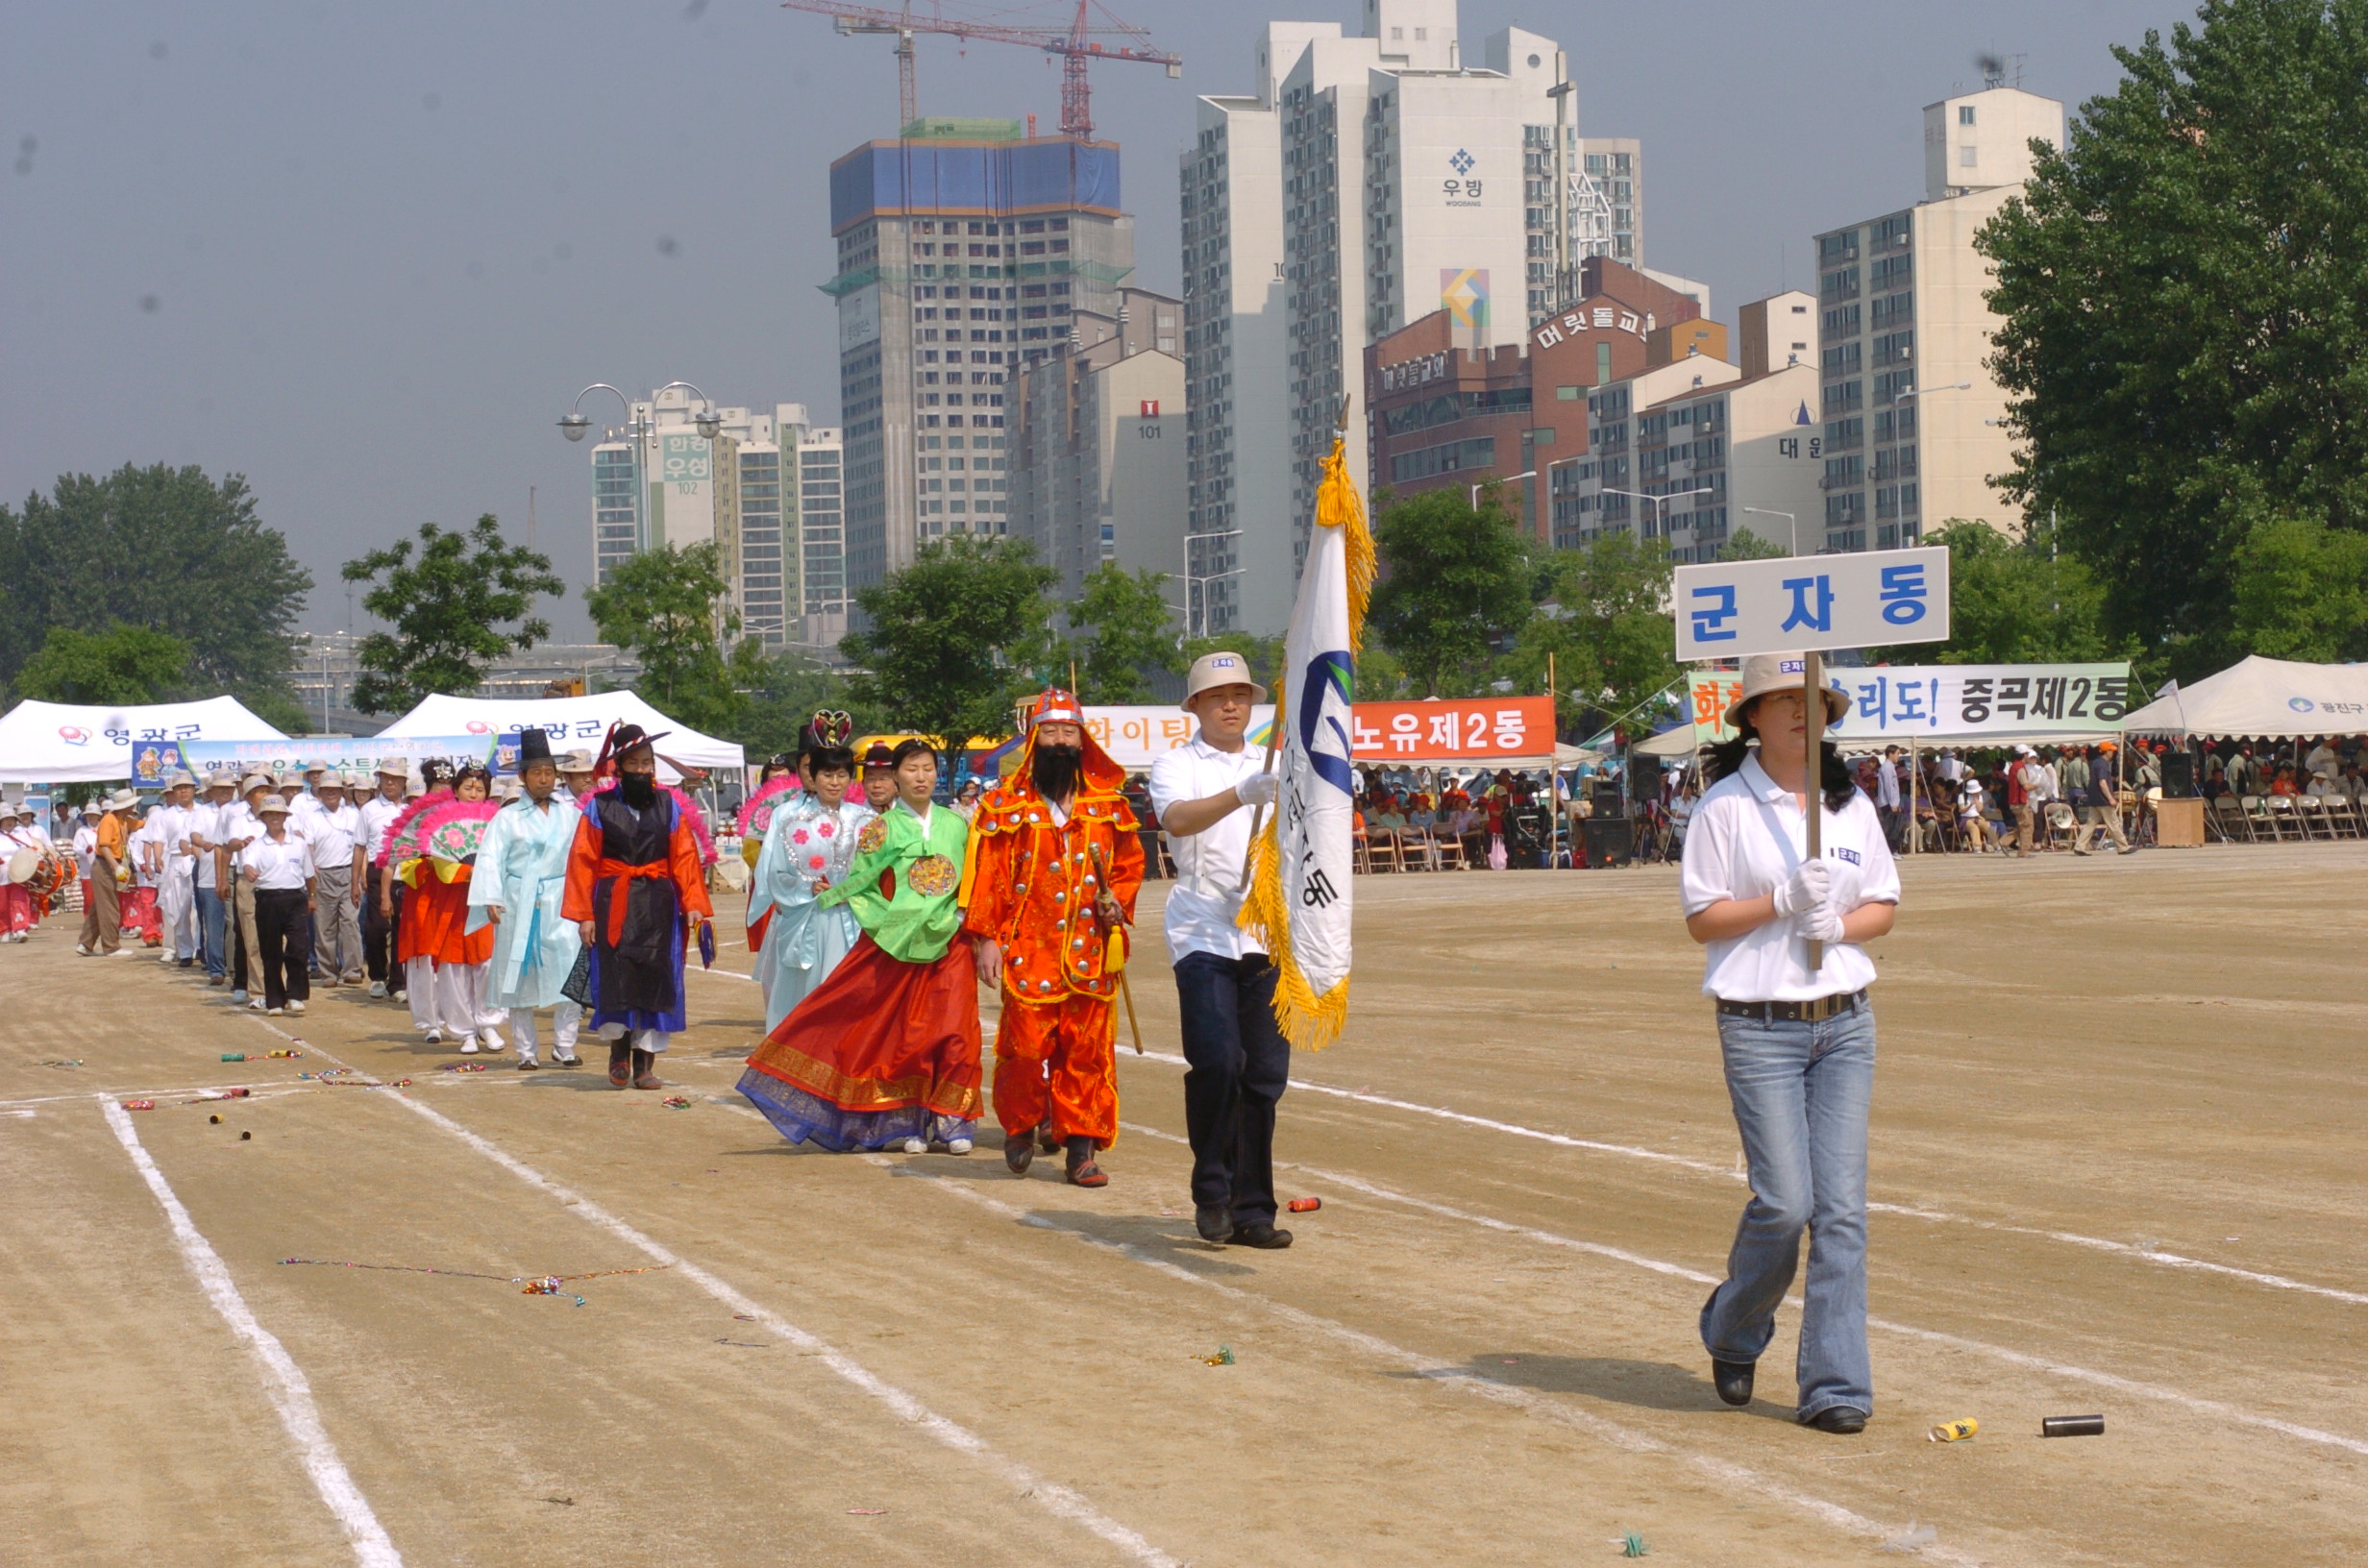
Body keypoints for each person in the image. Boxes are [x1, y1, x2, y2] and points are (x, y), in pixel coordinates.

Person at [1680, 653, 1900, 1434]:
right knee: (1785, 1203)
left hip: (1844, 1021)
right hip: (1759, 1024)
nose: (1803, 714)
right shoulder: (1724, 808)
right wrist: (1776, 901)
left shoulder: (1851, 805)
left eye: (1815, 702)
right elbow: (1703, 919)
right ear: (1752, 719)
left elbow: (1883, 902)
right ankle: (1733, 1329)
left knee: (1841, 1212)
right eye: (1784, 702)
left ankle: (1837, 1387)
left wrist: (1838, 925)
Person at [739, 737, 982, 1152]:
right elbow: (864, 885)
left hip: (950, 942)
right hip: (896, 945)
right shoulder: (879, 829)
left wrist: (963, 917)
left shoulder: (958, 825)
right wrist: (889, 926)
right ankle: (907, 1121)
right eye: (911, 770)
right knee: (908, 1035)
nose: (920, 777)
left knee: (959, 1030)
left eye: (928, 769)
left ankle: (952, 1120)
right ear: (894, 778)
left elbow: (975, 879)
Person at [962, 688, 1146, 1186]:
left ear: (1082, 739)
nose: (1060, 742)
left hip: (1089, 952)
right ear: (1034, 737)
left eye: (1069, 732)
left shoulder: (1108, 806)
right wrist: (987, 939)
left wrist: (1118, 904)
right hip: (1028, 950)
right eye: (1051, 732)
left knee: (1086, 1054)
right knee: (1023, 1050)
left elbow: (1128, 866)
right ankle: (1021, 1125)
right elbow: (990, 875)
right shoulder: (1004, 806)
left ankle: (1080, 1149)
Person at [1147, 651, 1295, 1248]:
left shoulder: (1282, 763)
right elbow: (1177, 821)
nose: (1230, 705)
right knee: (1217, 1061)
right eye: (1217, 697)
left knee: (1263, 1075)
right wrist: (1243, 792)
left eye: (1239, 695)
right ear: (1197, 707)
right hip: (1203, 925)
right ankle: (1212, 1189)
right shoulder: (1176, 763)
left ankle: (1253, 1208)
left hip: (1266, 928)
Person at [564, 723, 716, 1090]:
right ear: (619, 767)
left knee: (655, 974)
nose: (643, 769)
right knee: (616, 974)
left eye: (648, 763)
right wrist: (584, 915)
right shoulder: (599, 808)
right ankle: (618, 1053)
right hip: (613, 898)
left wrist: (694, 903)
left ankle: (644, 1062)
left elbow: (684, 857)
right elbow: (582, 860)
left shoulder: (669, 806)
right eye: (634, 763)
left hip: (659, 902)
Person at [747, 716, 872, 1036]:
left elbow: (876, 872)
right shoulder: (786, 816)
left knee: (845, 995)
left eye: (842, 774)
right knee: (801, 993)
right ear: (811, 777)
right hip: (805, 917)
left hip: (851, 920)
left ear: (850, 778)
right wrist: (805, 886)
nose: (834, 782)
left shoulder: (864, 819)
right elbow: (773, 871)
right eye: (827, 774)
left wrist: (852, 892)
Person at [469, 730, 585, 1070]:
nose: (545, 778)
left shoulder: (571, 814)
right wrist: (491, 896)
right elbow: (490, 857)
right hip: (518, 899)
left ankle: (565, 1045)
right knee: (516, 975)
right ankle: (526, 1051)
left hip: (561, 899)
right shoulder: (506, 817)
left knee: (569, 970)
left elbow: (582, 858)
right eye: (537, 772)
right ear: (523, 777)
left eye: (550, 772)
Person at [404, 762, 505, 1053]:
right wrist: (466, 872)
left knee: (486, 963)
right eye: (468, 787)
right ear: (456, 790)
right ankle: (464, 1031)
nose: (474, 793)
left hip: (486, 900)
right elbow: (442, 864)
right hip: (451, 902)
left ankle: (488, 1022)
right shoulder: (438, 822)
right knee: (452, 968)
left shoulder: (497, 821)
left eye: (480, 788)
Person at [238, 795, 317, 1017]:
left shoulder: (299, 843)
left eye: (278, 814)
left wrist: (312, 896)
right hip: (268, 899)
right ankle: (274, 999)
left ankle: (296, 995)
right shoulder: (257, 844)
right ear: (263, 817)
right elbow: (248, 864)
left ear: (285, 816)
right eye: (270, 814)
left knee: (298, 948)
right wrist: (249, 871)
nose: (275, 818)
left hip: (295, 898)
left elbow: (309, 874)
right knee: (270, 950)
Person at [303, 772, 365, 983]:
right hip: (323, 874)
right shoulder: (312, 817)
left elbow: (360, 847)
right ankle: (328, 971)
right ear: (320, 793)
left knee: (350, 922)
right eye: (326, 790)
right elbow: (308, 847)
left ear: (342, 792)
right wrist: (311, 872)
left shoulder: (354, 815)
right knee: (325, 926)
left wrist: (359, 877)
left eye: (335, 790)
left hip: (349, 872)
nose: (331, 793)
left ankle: (352, 970)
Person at [358, 760, 412, 1001]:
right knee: (377, 928)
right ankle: (378, 976)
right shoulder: (369, 809)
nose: (389, 782)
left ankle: (397, 982)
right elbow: (360, 846)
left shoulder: (411, 809)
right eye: (385, 777)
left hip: (407, 871)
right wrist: (355, 879)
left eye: (395, 778)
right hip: (377, 870)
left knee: (403, 929)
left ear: (403, 782)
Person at [186, 773, 236, 984]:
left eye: (228, 788)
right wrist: (204, 843)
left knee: (234, 923)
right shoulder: (202, 812)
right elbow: (193, 836)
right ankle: (216, 969)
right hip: (208, 874)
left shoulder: (238, 811)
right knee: (213, 925)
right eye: (220, 788)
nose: (225, 792)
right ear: (211, 791)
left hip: (234, 872)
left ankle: (234, 967)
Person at [79, 790, 136, 957]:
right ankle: (111, 946)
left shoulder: (124, 820)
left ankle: (85, 943)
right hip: (105, 865)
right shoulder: (108, 821)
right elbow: (103, 846)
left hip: (110, 864)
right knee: (110, 906)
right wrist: (115, 866)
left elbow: (140, 824)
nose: (134, 806)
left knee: (99, 907)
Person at [2072, 747, 2134, 855]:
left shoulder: (2095, 762)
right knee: (2113, 823)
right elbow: (2102, 782)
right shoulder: (2102, 764)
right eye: (2112, 751)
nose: (2113, 753)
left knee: (2090, 824)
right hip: (2103, 799)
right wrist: (2110, 798)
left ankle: (2079, 846)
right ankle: (2123, 847)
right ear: (2107, 751)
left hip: (2094, 799)